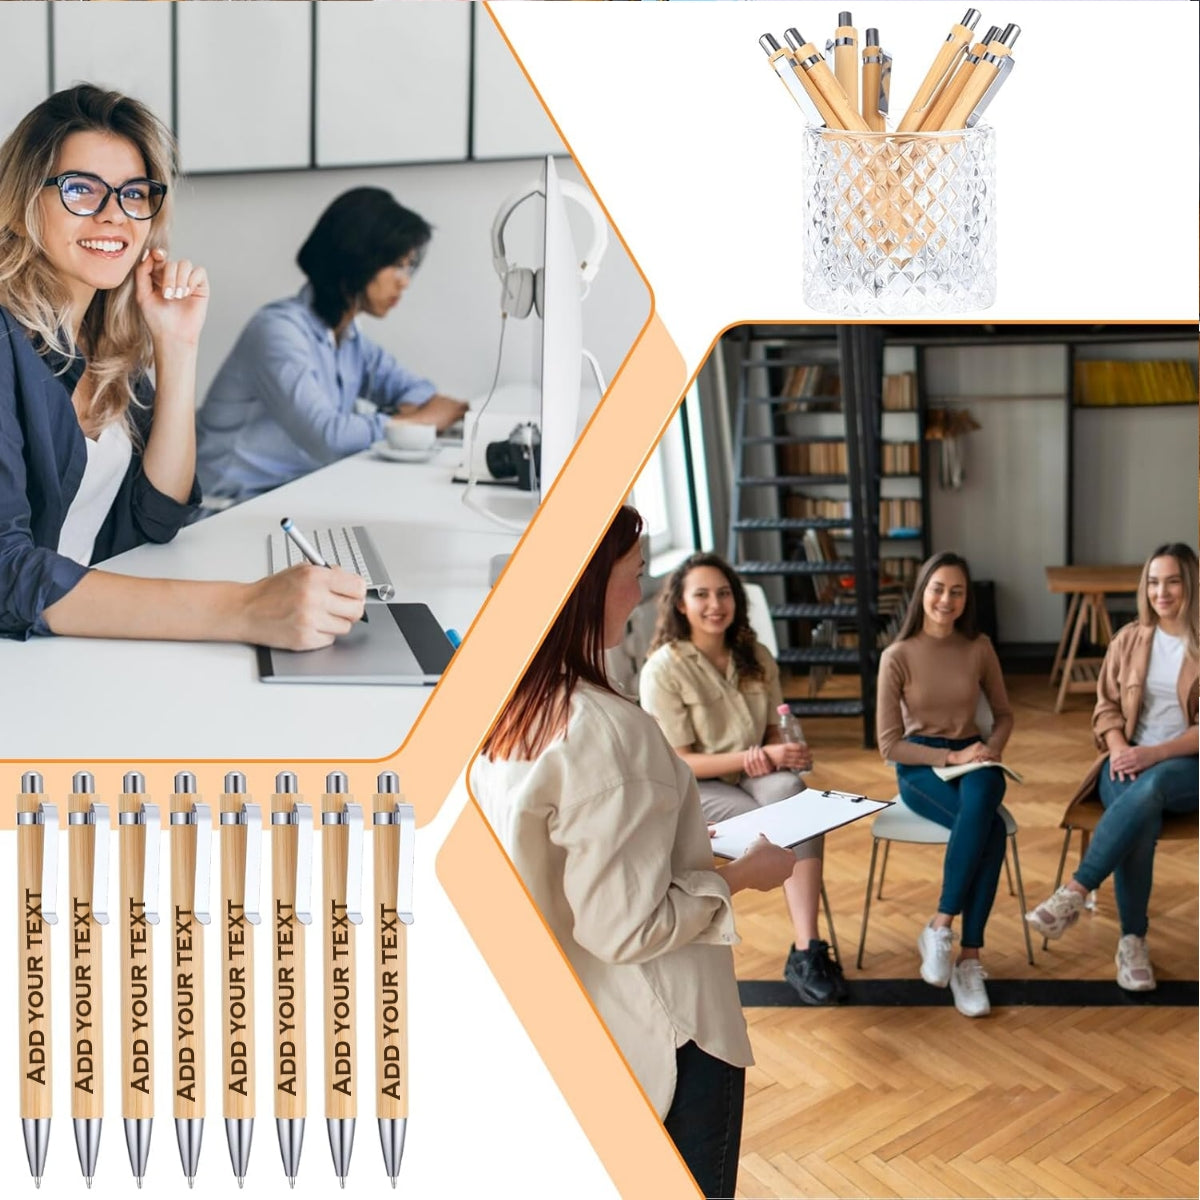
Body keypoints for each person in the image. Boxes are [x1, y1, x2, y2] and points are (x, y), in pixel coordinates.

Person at [470, 507, 796, 1199]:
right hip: (666, 1031)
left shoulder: (510, 707)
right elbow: (629, 928)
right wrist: (743, 875)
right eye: (636, 574)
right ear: (589, 585)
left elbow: (576, 858)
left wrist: (675, 840)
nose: (642, 591)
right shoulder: (609, 730)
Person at [0, 83, 365, 646]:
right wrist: (244, 609)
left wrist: (177, 346)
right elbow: (6, 573)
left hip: (72, 650)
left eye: (133, 194)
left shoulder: (103, 340)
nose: (114, 215)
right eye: (80, 190)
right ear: (23, 204)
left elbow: (158, 517)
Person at [638, 552, 845, 1005]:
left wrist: (784, 746)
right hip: (696, 786)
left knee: (794, 796)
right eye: (702, 595)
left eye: (724, 593)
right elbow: (680, 762)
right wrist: (761, 754)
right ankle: (806, 946)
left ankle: (806, 948)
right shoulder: (663, 669)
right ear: (681, 605)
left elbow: (772, 729)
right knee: (782, 817)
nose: (715, 604)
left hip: (753, 775)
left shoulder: (757, 656)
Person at [195, 187, 468, 506]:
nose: (404, 281)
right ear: (358, 258)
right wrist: (417, 422)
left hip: (291, 496)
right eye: (396, 265)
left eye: (408, 267)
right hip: (226, 508)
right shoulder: (278, 331)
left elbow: (420, 392)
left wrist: (411, 415)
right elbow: (330, 438)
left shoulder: (349, 338)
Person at [1026, 544, 1198, 991]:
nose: (1161, 592)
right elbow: (1105, 708)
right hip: (1127, 760)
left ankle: (1075, 892)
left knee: (1155, 785)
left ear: (1192, 584)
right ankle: (1132, 942)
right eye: (1153, 582)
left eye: (1173, 581)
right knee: (1141, 819)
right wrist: (1121, 749)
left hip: (1186, 769)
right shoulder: (1129, 639)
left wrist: (1152, 755)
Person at [875, 551, 1014, 1018]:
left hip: (974, 754)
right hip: (921, 764)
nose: (946, 599)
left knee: (984, 796)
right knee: (991, 830)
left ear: (967, 598)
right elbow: (890, 744)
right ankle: (967, 955)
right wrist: (950, 757)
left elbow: (1004, 714)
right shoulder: (897, 656)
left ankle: (941, 926)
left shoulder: (979, 647)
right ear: (922, 592)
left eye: (957, 591)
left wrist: (991, 748)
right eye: (938, 588)